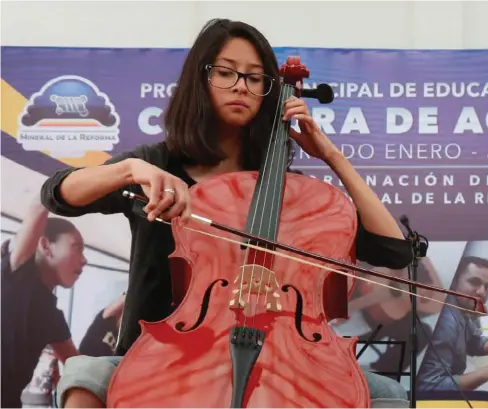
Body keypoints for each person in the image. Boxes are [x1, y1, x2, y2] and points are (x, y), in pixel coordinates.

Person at [43, 19, 414, 408]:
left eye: (255, 79)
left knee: (390, 397)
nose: (241, 86)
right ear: (199, 80)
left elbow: (393, 251)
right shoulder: (157, 165)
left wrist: (331, 156)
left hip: (281, 363)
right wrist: (129, 170)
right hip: (165, 358)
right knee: (84, 373)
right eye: (226, 73)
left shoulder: (292, 194)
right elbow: (58, 194)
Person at [1, 198, 84, 408]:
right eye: (77, 247)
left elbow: (81, 368)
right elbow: (40, 204)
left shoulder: (53, 317)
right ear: (46, 245)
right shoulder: (15, 273)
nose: (84, 260)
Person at [417, 256, 488, 392]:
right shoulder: (445, 322)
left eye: (487, 286)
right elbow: (431, 387)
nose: (482, 292)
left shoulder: (461, 308)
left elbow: (475, 341)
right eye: (474, 282)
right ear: (454, 282)